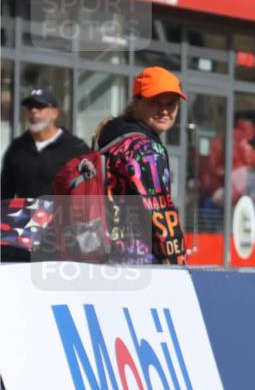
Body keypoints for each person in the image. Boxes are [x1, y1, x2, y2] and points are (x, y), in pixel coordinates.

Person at [94, 66, 187, 264]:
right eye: (155, 102)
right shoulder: (146, 149)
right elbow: (160, 215)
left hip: (104, 255)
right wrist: (178, 266)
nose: (164, 110)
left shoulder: (113, 136)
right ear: (136, 102)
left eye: (171, 104)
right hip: (136, 262)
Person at [1, 87, 89, 199]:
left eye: (39, 106)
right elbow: (4, 193)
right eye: (30, 107)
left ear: (54, 113)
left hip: (62, 215)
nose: (33, 111)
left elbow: (88, 192)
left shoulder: (76, 148)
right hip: (24, 215)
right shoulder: (17, 148)